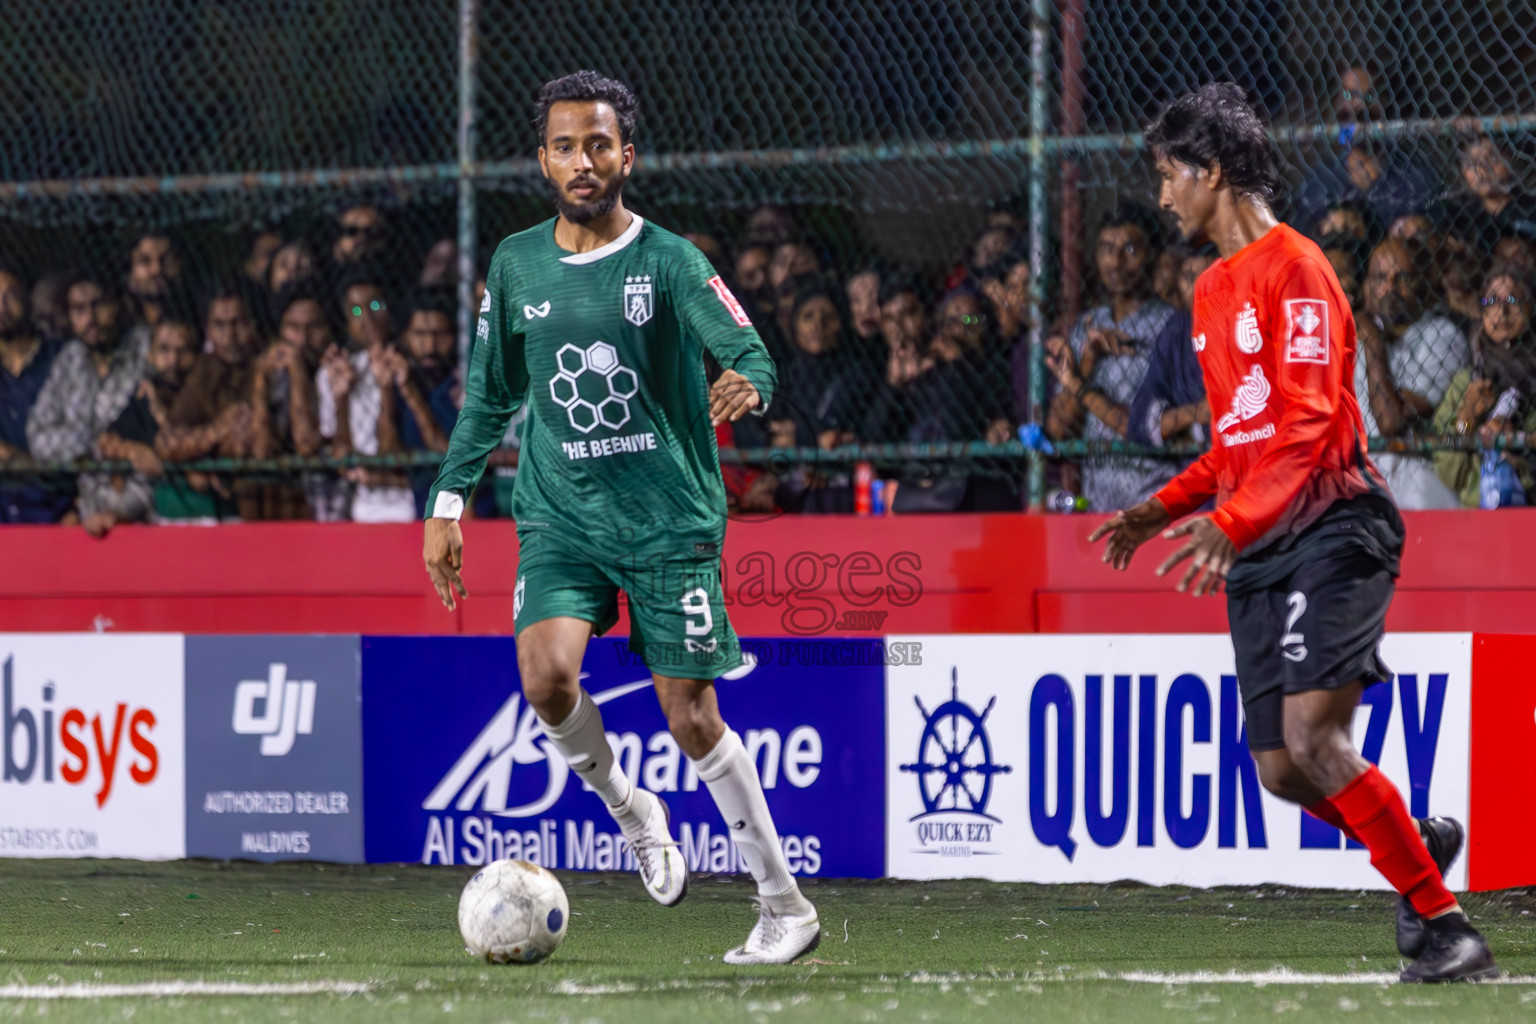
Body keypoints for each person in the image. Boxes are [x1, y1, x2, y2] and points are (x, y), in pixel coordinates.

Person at [1091, 82, 1496, 984]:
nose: (1162, 197)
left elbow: (1309, 427)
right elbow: (1241, 443)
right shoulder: (1206, 295)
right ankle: (1416, 842)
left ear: (1214, 171)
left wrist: (1229, 521)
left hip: (1334, 523)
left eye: (1169, 176)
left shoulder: (1298, 269)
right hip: (1262, 538)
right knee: (1279, 769)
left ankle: (1444, 931)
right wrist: (1164, 506)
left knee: (1317, 740)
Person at [420, 71, 818, 964]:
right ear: (543, 160)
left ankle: (782, 904)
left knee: (692, 718)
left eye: (599, 144)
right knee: (545, 677)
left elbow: (747, 345)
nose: (583, 161)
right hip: (561, 517)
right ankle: (632, 810)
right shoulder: (517, 264)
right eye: (565, 145)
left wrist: (747, 378)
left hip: (669, 523)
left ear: (626, 156)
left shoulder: (671, 260)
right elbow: (488, 397)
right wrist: (448, 502)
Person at [1044, 201, 1178, 512]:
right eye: (1106, 248)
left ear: (1153, 257)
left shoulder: (1171, 326)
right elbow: (1058, 429)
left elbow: (1172, 427)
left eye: (1129, 250)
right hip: (1098, 503)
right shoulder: (1086, 327)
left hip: (1156, 496)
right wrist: (1089, 361)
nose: (1115, 262)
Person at [27, 269, 151, 535]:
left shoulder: (146, 347)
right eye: (79, 309)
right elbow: (38, 437)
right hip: (89, 513)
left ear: (118, 304)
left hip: (148, 508)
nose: (90, 319)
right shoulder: (70, 359)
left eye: (98, 305)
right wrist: (95, 443)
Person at [1353, 239, 1467, 508]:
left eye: (1402, 277)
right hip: (1356, 481)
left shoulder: (1444, 336)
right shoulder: (1347, 337)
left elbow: (1391, 421)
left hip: (1415, 482)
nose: (1390, 288)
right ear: (1367, 287)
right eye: (1381, 278)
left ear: (1423, 283)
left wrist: (1371, 340)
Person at [1432, 264, 1536, 507]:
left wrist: (1519, 456)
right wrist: (1467, 416)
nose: (1502, 310)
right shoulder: (1465, 383)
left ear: (1530, 308)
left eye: (1512, 299)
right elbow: (1450, 475)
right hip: (1477, 516)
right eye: (1491, 301)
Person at [0, 265, 71, 523]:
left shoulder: (61, 358)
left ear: (28, 300)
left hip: (58, 503)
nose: (2, 308)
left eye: (11, 296)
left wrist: (17, 459)